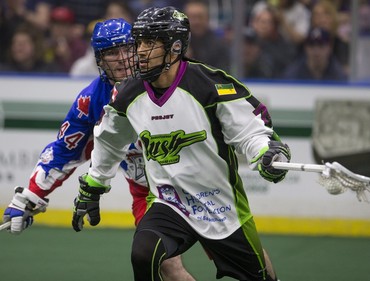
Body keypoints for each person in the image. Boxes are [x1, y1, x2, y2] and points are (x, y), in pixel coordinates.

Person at [71, 6, 291, 281]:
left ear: (174, 47)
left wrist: (266, 151)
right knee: (143, 253)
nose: (139, 51)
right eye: (138, 42)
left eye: (149, 43)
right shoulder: (128, 94)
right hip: (169, 202)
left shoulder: (210, 86)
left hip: (220, 205)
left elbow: (249, 130)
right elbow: (109, 139)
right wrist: (94, 185)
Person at [2, 17, 196, 281]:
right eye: (111, 53)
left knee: (238, 254)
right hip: (149, 192)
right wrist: (29, 196)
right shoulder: (91, 100)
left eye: (127, 49)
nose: (121, 58)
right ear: (99, 60)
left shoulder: (171, 78)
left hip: (199, 179)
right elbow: (65, 150)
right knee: (166, 266)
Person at [282, 27, 347, 81]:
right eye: (311, 46)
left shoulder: (338, 74)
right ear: (305, 48)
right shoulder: (293, 73)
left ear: (329, 48)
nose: (316, 51)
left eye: (321, 46)